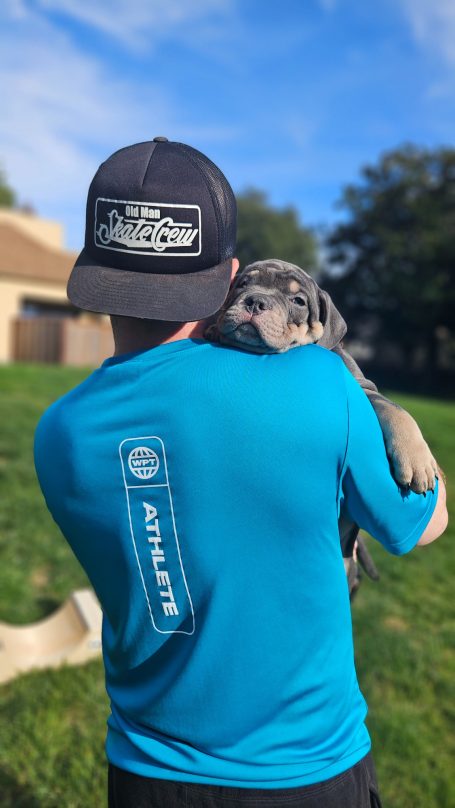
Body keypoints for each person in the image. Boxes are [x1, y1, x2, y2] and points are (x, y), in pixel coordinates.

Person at [33, 138, 448, 808]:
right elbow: (420, 525)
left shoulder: (59, 432)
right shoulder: (317, 380)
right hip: (305, 770)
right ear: (230, 275)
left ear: (96, 271)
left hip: (145, 770)